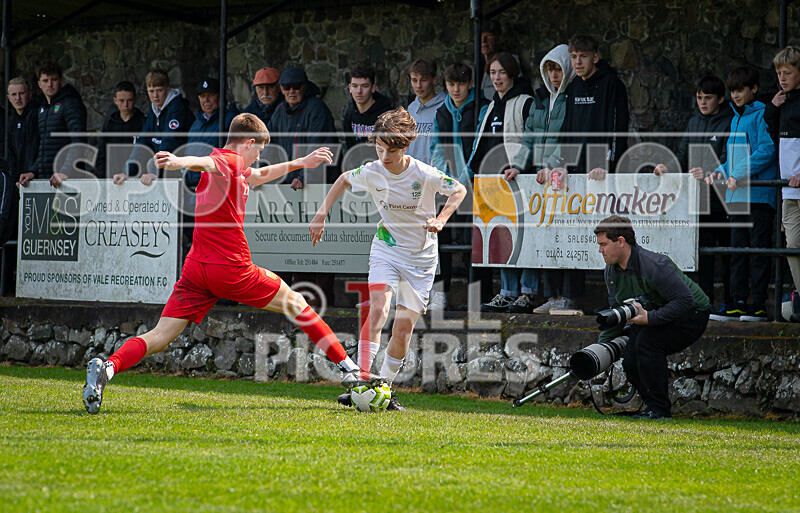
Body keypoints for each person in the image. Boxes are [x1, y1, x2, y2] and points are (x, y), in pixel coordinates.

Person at [82, 113, 360, 415]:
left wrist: (301, 163)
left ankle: (107, 368)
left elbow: (259, 176)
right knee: (299, 304)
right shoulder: (227, 162)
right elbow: (210, 163)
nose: (258, 157)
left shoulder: (234, 169)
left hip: (196, 270)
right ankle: (350, 369)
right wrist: (179, 162)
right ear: (249, 143)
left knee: (160, 336)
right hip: (231, 269)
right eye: (259, 151)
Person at [309, 107, 467, 410]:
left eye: (390, 151)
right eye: (379, 148)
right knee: (378, 307)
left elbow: (458, 189)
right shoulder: (373, 170)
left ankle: (385, 390)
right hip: (387, 248)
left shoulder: (424, 173)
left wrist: (442, 219)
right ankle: (362, 383)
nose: (384, 156)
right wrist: (321, 212)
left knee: (403, 328)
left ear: (404, 147)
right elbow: (343, 179)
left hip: (421, 259)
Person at [594, 215, 710, 420]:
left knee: (648, 344)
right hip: (653, 314)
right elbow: (617, 313)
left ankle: (659, 410)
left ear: (621, 242)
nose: (600, 250)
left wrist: (650, 318)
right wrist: (599, 352)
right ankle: (651, 405)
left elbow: (685, 301)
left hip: (692, 314)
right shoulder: (611, 272)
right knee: (630, 360)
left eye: (604, 244)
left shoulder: (655, 265)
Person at [653, 75, 733, 315]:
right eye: (699, 98)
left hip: (726, 199)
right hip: (699, 200)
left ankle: (731, 302)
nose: (703, 102)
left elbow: (732, 159)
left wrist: (710, 171)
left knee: (730, 255)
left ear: (720, 99)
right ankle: (705, 303)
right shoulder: (694, 122)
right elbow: (682, 154)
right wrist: (669, 166)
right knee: (704, 254)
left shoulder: (731, 122)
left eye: (708, 98)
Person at [506, 44, 576, 314]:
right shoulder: (540, 99)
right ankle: (552, 294)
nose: (554, 75)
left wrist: (552, 164)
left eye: (558, 69)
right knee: (544, 234)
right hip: (539, 178)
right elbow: (529, 137)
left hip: (563, 174)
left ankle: (568, 296)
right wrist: (518, 166)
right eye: (550, 70)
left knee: (567, 234)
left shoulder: (572, 97)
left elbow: (569, 137)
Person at [706, 67, 778, 322]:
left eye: (740, 90)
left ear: (753, 90)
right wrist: (719, 171)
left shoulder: (762, 115)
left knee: (758, 252)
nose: (735, 95)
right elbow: (731, 158)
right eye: (733, 91)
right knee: (738, 251)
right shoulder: (735, 118)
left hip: (758, 195)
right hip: (736, 196)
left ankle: (757, 305)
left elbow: (766, 151)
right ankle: (738, 302)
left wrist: (736, 173)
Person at [463, 52, 533, 311]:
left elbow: (532, 140)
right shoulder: (492, 104)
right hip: (493, 181)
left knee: (525, 237)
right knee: (503, 236)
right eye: (492, 73)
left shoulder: (526, 102)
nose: (496, 78)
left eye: (501, 72)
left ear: (512, 73)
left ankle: (527, 291)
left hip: (518, 179)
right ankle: (507, 291)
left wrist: (520, 166)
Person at [428, 62, 486, 310]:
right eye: (451, 84)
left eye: (461, 84)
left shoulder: (482, 108)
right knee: (441, 239)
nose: (456, 89)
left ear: (470, 84)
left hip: (476, 183)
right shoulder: (441, 112)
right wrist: (444, 179)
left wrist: (464, 177)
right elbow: (437, 148)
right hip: (448, 187)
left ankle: (480, 298)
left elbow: (479, 147)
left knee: (476, 242)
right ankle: (440, 294)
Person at [764, 46, 800, 320]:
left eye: (787, 72)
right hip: (788, 188)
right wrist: (773, 110)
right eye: (778, 73)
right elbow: (777, 139)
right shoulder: (782, 101)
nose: (782, 78)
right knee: (792, 245)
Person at [117, 69, 194, 186]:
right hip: (166, 164)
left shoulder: (178, 108)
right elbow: (143, 142)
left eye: (159, 90)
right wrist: (126, 172)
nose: (155, 96)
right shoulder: (154, 110)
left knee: (151, 165)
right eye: (151, 91)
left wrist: (155, 172)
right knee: (145, 164)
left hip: (184, 164)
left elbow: (170, 142)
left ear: (168, 89)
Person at [267, 66, 338, 190]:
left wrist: (303, 178)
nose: (292, 91)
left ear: (304, 87)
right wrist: (260, 175)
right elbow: (269, 148)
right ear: (281, 89)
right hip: (289, 186)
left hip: (318, 185)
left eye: (296, 87)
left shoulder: (317, 109)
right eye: (287, 87)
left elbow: (319, 147)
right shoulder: (278, 112)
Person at [28, 61, 87, 187]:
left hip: (68, 180)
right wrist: (33, 171)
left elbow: (79, 141)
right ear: (39, 84)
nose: (50, 84)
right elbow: (45, 147)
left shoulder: (71, 104)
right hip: (48, 179)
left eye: (53, 79)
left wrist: (65, 171)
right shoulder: (43, 109)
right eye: (45, 80)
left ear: (60, 81)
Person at [183, 77, 239, 188]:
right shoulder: (196, 124)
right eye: (202, 96)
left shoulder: (231, 120)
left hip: (216, 188)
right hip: (193, 186)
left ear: (220, 96)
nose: (206, 100)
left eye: (211, 95)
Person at [2, 77, 40, 244]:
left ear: (29, 94)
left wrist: (33, 171)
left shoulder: (37, 115)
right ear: (8, 97)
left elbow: (39, 148)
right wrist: (13, 179)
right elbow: (9, 155)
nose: (18, 98)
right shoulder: (9, 121)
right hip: (16, 184)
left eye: (21, 93)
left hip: (36, 180)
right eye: (14, 94)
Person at [94, 81, 146, 178]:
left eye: (129, 100)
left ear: (135, 99)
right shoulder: (109, 124)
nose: (125, 105)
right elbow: (101, 154)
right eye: (121, 100)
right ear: (115, 100)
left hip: (136, 179)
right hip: (112, 178)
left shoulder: (143, 122)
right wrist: (106, 177)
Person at [342, 64, 392, 154]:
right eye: (355, 86)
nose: (359, 91)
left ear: (373, 88)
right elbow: (350, 149)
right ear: (350, 88)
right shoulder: (349, 114)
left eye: (364, 86)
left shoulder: (387, 115)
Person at [406, 59, 447, 165]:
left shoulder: (445, 106)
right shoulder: (411, 109)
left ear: (434, 79)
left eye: (423, 80)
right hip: (413, 174)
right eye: (414, 80)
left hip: (436, 174)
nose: (418, 85)